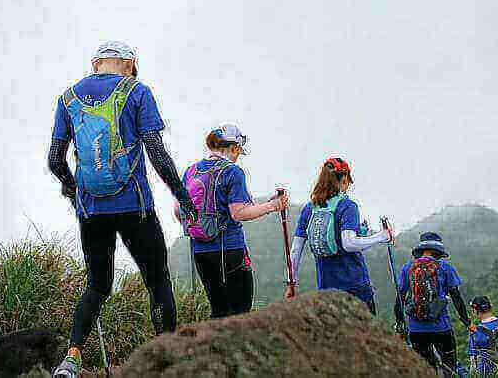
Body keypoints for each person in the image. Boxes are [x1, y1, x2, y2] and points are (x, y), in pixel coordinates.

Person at [48, 40, 197, 378]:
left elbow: (55, 160)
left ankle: (71, 358)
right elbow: (156, 153)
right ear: (129, 64)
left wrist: (74, 193)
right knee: (157, 281)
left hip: (91, 211)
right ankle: (165, 360)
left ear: (95, 62)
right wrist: (183, 197)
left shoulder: (68, 98)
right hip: (135, 207)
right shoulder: (137, 91)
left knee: (97, 286)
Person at [174, 124, 288, 319]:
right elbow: (238, 213)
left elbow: (178, 211)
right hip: (230, 249)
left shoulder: (191, 171)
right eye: (239, 151)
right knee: (240, 311)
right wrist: (274, 206)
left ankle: (212, 349)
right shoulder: (233, 172)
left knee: (218, 309)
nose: (238, 156)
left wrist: (201, 228)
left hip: (201, 252)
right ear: (234, 148)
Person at [287, 157, 394, 315]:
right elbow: (349, 243)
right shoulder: (347, 206)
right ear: (344, 179)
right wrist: (382, 236)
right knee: (365, 337)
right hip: (356, 288)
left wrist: (291, 283)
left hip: (326, 291)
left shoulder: (310, 208)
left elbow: (295, 250)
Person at [393, 232, 473, 377]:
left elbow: (399, 299)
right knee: (450, 366)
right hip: (441, 328)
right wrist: (467, 322)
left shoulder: (407, 268)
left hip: (416, 330)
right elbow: (457, 298)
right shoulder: (445, 267)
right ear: (438, 250)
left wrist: (400, 325)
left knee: (425, 369)